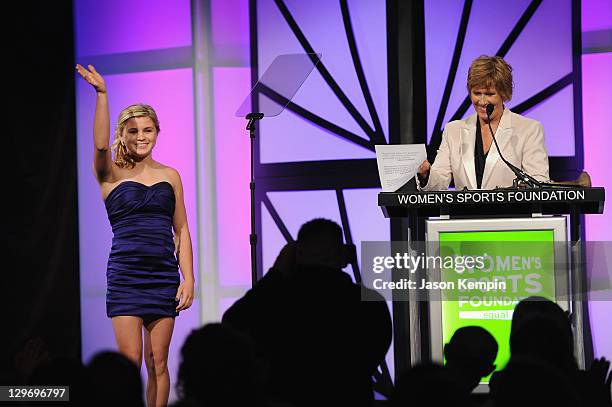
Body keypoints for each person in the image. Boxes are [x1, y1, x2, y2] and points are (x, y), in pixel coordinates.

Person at [76, 64, 194, 407]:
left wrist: (188, 277)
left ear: (157, 132)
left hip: (162, 275)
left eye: (147, 129)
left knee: (158, 361)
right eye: (132, 130)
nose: (141, 136)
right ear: (122, 134)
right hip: (126, 275)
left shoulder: (170, 175)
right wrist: (102, 94)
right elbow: (100, 147)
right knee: (130, 364)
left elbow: (182, 228)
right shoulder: (109, 173)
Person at [223, 218, 392, 407]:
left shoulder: (273, 301)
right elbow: (374, 353)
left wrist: (276, 273)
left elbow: (232, 323)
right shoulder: (370, 304)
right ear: (343, 255)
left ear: (297, 254)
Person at [417, 55, 550, 190]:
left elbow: (538, 183)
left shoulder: (529, 129)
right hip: (466, 211)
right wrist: (426, 175)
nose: (482, 101)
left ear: (504, 94)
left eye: (489, 94)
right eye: (477, 93)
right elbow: (439, 183)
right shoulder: (453, 131)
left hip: (511, 211)